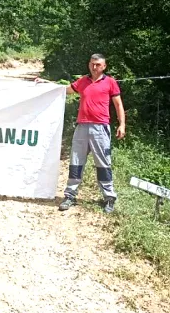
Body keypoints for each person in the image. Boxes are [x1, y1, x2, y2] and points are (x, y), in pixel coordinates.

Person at [39, 53, 126, 213]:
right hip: (81, 128)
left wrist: (122, 124)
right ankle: (70, 196)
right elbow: (66, 90)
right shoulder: (83, 81)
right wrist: (47, 84)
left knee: (103, 164)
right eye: (92, 64)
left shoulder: (110, 82)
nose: (94, 67)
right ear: (89, 64)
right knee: (76, 162)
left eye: (98, 64)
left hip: (101, 128)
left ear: (104, 66)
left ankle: (109, 198)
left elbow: (118, 105)